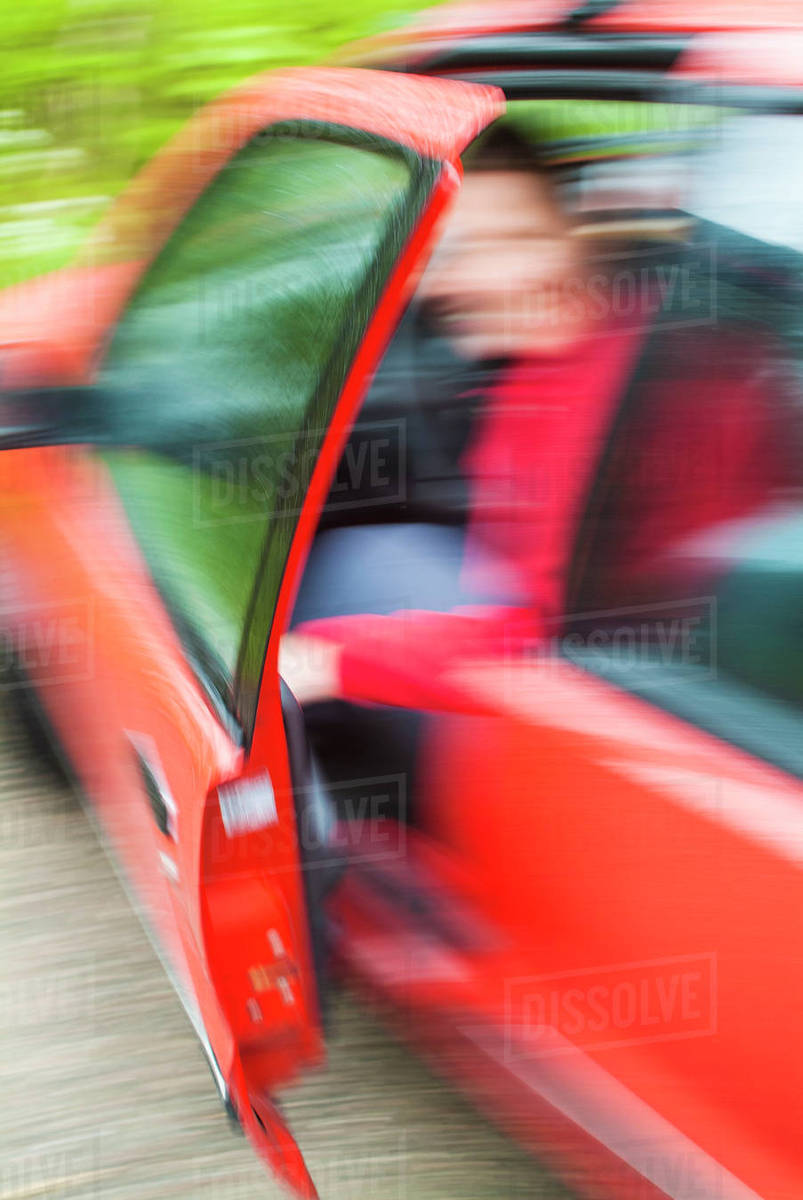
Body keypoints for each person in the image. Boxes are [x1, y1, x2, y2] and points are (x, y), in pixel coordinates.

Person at [280, 122, 795, 787]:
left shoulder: (646, 402)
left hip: (654, 720)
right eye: (441, 256)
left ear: (569, 240)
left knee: (354, 564)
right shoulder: (595, 342)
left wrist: (332, 659)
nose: (446, 286)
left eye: (497, 244)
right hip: (635, 662)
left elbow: (551, 649)